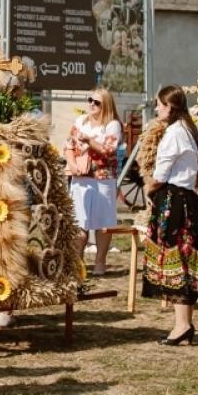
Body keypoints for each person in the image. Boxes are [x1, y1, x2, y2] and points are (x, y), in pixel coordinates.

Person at [141, 85, 198, 346]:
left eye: (159, 104)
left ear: (170, 107)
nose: (157, 108)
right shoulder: (191, 130)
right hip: (188, 198)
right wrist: (196, 180)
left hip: (172, 198)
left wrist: (149, 188)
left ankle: (182, 325)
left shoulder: (174, 133)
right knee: (185, 256)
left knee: (175, 257)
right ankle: (184, 324)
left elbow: (160, 174)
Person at [65, 87, 123, 277]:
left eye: (96, 102)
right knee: (78, 223)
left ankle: (100, 262)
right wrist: (72, 164)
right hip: (81, 177)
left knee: (102, 223)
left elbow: (108, 150)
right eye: (90, 100)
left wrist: (89, 141)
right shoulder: (81, 121)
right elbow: (68, 145)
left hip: (102, 179)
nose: (91, 104)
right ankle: (77, 263)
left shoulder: (112, 125)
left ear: (105, 105)